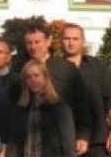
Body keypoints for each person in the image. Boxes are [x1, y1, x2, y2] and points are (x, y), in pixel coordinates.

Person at [19, 24, 91, 154]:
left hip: (61, 139)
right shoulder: (19, 69)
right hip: (28, 139)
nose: (33, 47)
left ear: (48, 41)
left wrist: (83, 135)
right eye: (29, 43)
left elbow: (82, 102)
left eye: (37, 42)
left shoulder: (66, 68)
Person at [63, 23, 111, 156]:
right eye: (67, 38)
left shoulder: (97, 66)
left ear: (83, 42)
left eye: (75, 39)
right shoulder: (55, 68)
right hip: (67, 140)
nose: (70, 43)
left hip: (97, 139)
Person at [7, 61, 76, 157]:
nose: (33, 80)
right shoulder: (19, 110)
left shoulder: (60, 108)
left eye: (36, 75)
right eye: (28, 77)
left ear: (45, 78)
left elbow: (68, 142)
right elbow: (13, 145)